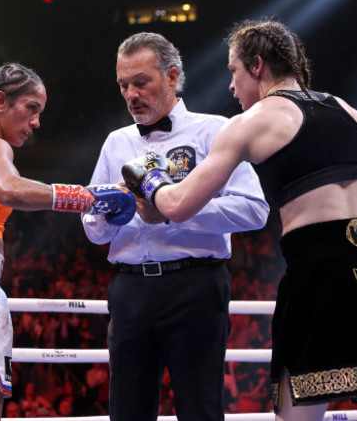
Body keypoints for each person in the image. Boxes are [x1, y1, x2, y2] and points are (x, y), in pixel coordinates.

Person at [123, 19, 357, 421]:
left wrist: (149, 176)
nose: (232, 87)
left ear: (256, 65)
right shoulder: (350, 111)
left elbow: (179, 204)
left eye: (233, 72)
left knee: (297, 410)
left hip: (321, 271)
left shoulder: (251, 122)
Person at [0, 62, 136, 421]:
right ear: (0, 101)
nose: (36, 122)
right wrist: (88, 197)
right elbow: (11, 189)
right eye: (31, 108)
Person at [82, 32, 269, 421]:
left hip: (194, 287)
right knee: (127, 412)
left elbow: (254, 209)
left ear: (171, 76)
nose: (131, 93)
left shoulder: (215, 130)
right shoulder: (115, 143)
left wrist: (175, 210)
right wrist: (109, 214)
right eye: (123, 85)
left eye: (140, 82)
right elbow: (93, 229)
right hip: (129, 288)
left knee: (200, 409)